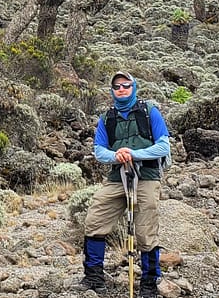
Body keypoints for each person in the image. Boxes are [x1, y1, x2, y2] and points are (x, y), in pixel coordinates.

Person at [76, 71, 171, 297]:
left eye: (126, 85)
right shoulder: (106, 118)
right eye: (117, 86)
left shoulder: (149, 112)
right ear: (112, 90)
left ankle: (148, 284)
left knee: (146, 231)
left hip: (147, 177)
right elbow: (99, 151)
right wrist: (116, 156)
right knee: (95, 219)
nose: (121, 89)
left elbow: (163, 146)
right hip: (117, 177)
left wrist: (134, 153)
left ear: (133, 87)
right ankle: (93, 276)